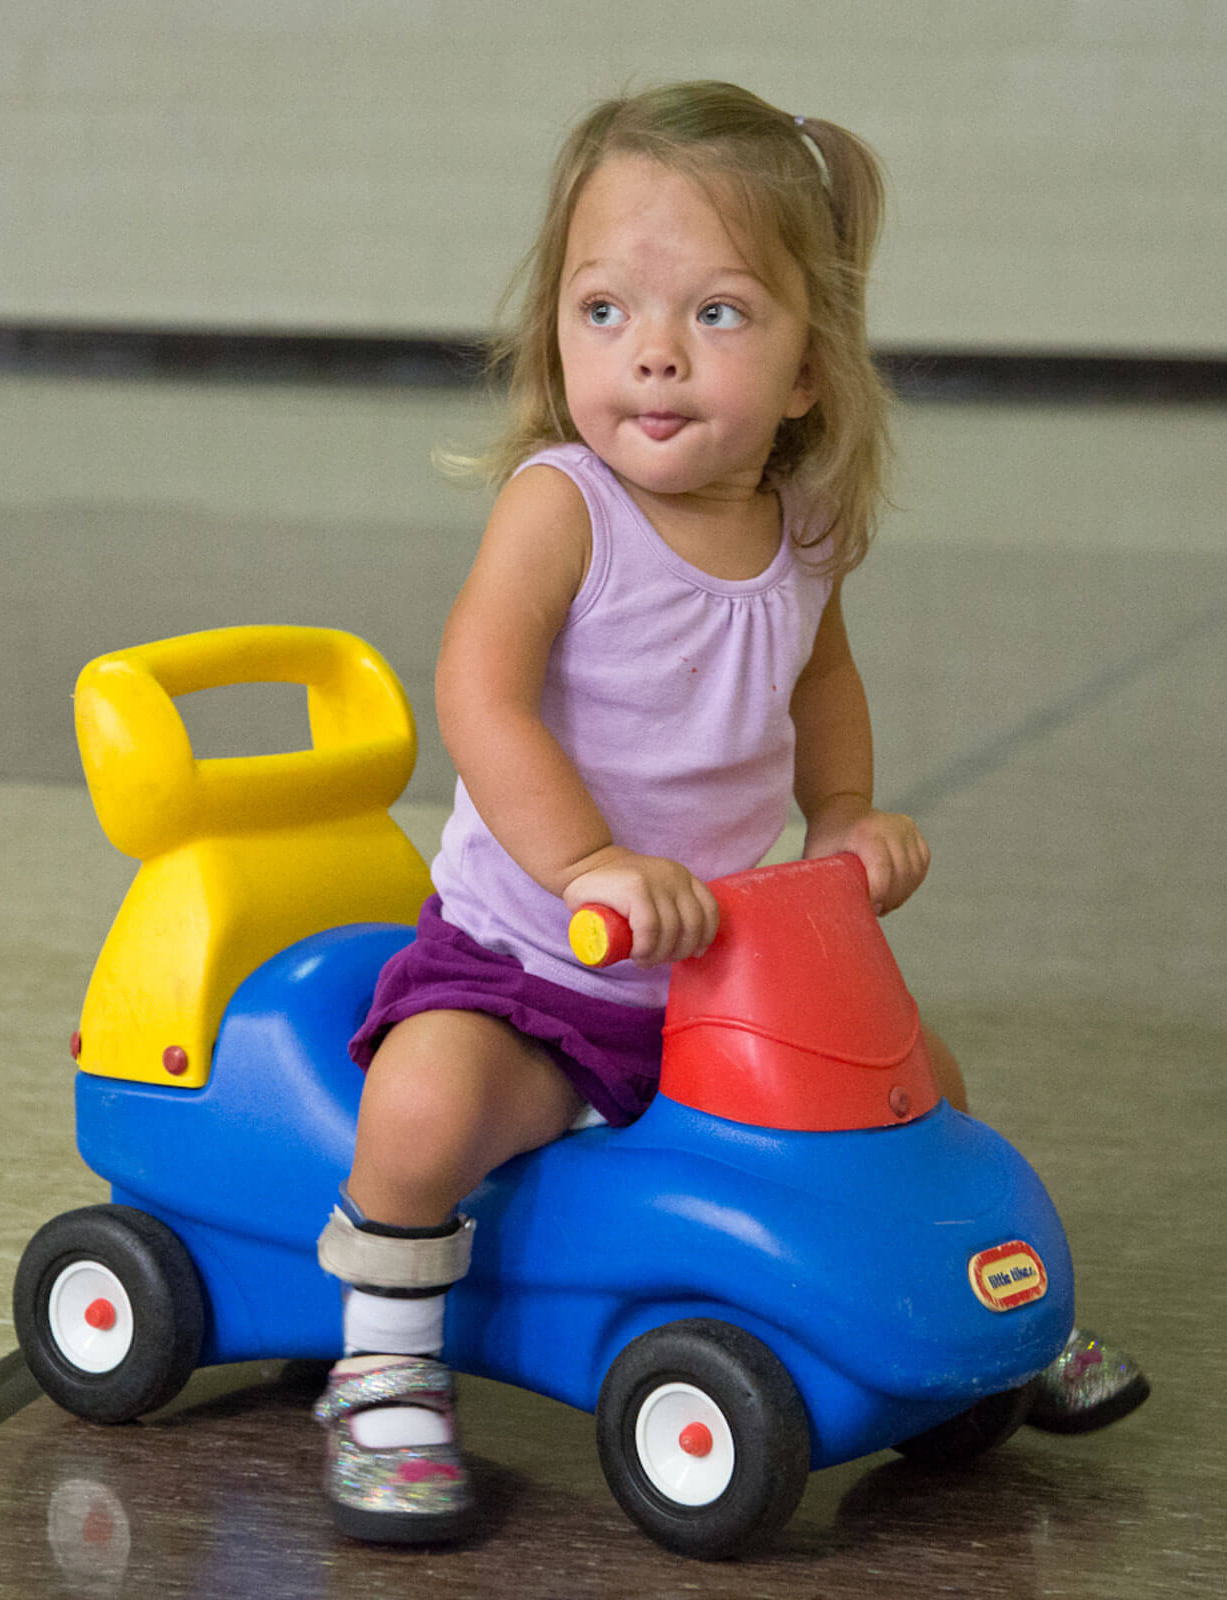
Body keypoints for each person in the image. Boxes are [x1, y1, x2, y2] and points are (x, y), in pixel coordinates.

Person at [312, 81, 1147, 1545]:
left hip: (713, 965)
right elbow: (480, 695)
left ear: (811, 367)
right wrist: (586, 862)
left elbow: (820, 678)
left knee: (922, 1084)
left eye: (716, 314)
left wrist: (844, 813)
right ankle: (382, 1362)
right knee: (425, 1109)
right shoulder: (562, 507)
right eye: (604, 309)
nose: (651, 353)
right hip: (533, 961)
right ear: (556, 328)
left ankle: (979, 1319)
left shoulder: (806, 527)